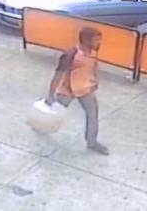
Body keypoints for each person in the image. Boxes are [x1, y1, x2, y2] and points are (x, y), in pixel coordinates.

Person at [46, 27, 109, 156]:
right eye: (96, 40)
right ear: (86, 40)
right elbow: (58, 75)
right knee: (53, 113)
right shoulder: (70, 55)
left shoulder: (93, 52)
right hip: (67, 90)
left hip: (85, 89)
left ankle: (92, 142)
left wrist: (95, 81)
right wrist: (50, 94)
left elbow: (93, 66)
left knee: (92, 115)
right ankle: (41, 125)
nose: (99, 43)